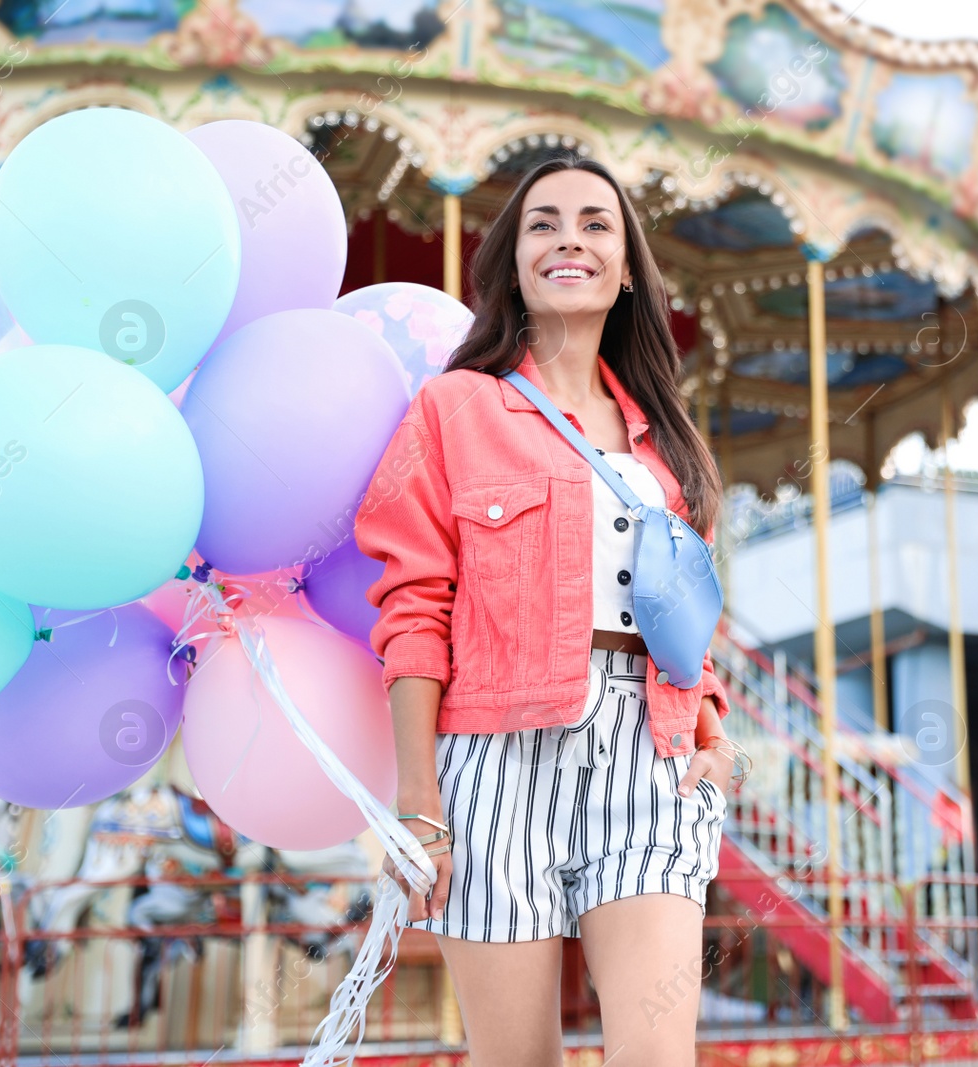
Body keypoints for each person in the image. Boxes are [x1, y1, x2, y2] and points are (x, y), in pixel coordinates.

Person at [353, 152, 741, 1067]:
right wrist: (419, 805)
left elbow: (686, 619)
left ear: (626, 266)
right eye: (544, 222)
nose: (571, 236)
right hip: (493, 756)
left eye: (596, 222)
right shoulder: (453, 408)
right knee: (517, 1059)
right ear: (514, 261)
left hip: (650, 753)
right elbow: (415, 608)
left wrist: (716, 737)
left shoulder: (665, 438)